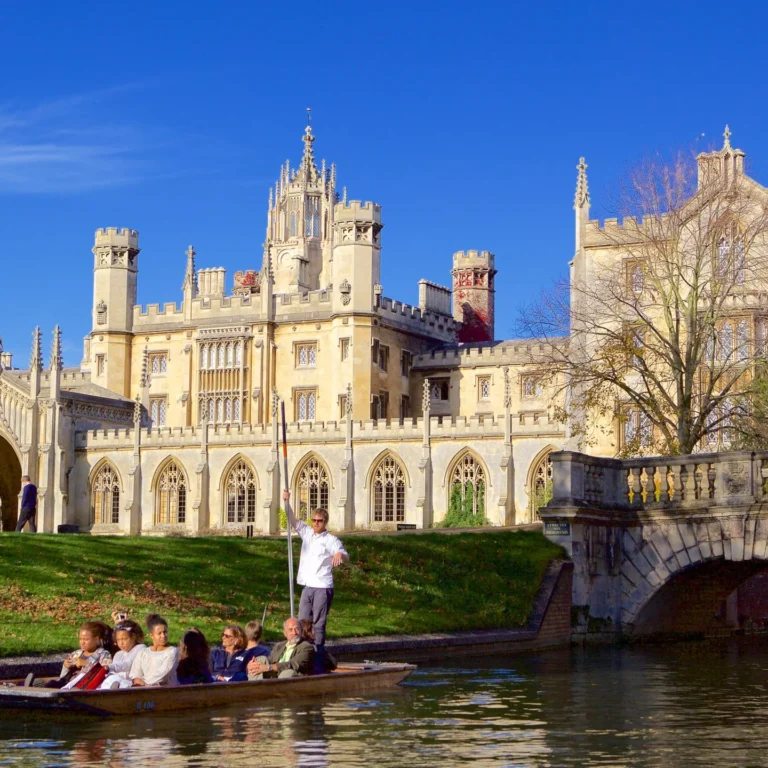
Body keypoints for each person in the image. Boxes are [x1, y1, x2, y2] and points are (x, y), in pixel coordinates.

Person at [284, 491, 349, 671]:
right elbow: (292, 519)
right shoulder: (307, 533)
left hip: (323, 586)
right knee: (302, 622)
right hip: (308, 585)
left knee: (318, 623)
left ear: (325, 522)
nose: (316, 523)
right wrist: (286, 501)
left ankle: (319, 655)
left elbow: (345, 555)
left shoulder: (330, 540)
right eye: (314, 520)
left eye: (319, 521)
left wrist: (338, 554)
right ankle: (304, 654)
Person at [24, 621, 113, 688]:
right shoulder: (76, 653)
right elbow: (63, 675)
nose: (82, 642)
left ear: (97, 639)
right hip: (66, 681)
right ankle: (32, 686)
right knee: (52, 682)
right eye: (80, 639)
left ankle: (37, 688)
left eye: (86, 639)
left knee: (52, 684)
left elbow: (104, 672)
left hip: (82, 684)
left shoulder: (103, 654)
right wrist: (66, 666)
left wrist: (87, 664)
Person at [246, 617, 315, 680]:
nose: (294, 632)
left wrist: (268, 667)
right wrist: (252, 665)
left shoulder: (306, 647)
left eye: (297, 629)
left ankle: (275, 693)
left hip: (293, 678)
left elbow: (293, 664)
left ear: (301, 631)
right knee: (260, 659)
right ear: (285, 633)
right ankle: (253, 690)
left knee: (288, 673)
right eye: (290, 630)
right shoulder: (279, 645)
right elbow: (269, 660)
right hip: (274, 675)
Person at [129, 614, 178, 687]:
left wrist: (145, 684)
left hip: (165, 691)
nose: (163, 636)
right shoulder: (143, 652)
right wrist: (138, 681)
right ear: (151, 635)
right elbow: (135, 672)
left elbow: (163, 674)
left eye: (165, 632)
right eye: (159, 633)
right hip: (143, 690)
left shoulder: (172, 651)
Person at [100, 619, 146, 690]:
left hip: (133, 681)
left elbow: (128, 664)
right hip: (118, 680)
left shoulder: (140, 648)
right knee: (108, 679)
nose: (121, 643)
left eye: (124, 639)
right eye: (118, 640)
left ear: (133, 637)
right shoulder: (118, 654)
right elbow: (114, 672)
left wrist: (109, 667)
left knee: (118, 681)